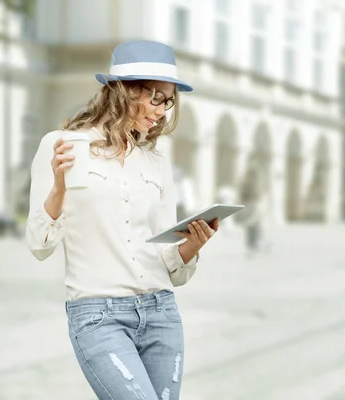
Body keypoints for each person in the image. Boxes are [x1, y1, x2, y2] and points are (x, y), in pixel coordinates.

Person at [25, 40, 220, 400]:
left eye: (169, 100)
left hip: (161, 313)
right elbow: (39, 244)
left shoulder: (155, 163)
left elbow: (170, 264)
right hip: (99, 316)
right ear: (124, 92)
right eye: (157, 97)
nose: (162, 111)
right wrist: (58, 186)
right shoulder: (63, 145)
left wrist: (194, 242)